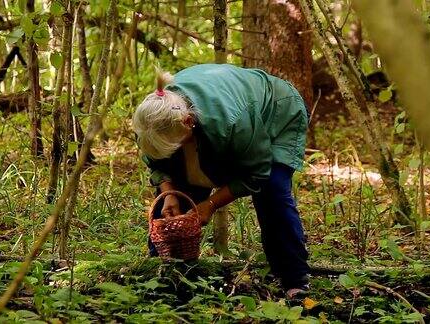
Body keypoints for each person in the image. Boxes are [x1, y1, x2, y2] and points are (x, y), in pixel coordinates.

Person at [132, 64, 311, 298]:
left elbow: (257, 172)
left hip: (277, 112)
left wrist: (211, 204)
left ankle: (294, 280)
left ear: (188, 122)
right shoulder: (150, 119)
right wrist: (169, 194)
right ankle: (167, 275)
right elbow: (156, 161)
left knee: (272, 193)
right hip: (217, 120)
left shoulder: (231, 122)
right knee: (180, 200)